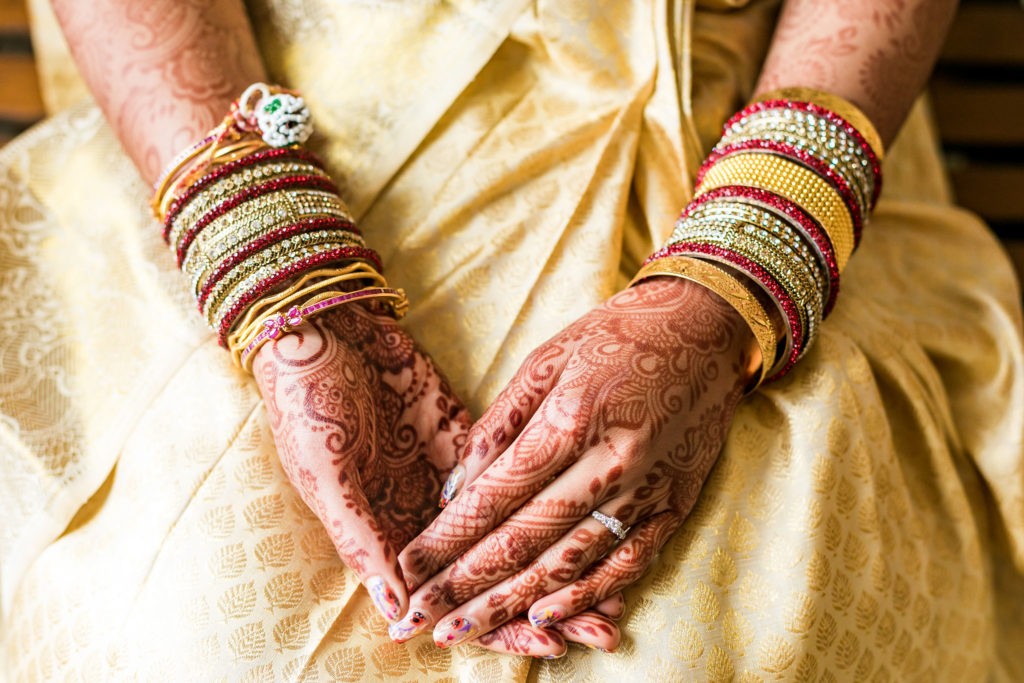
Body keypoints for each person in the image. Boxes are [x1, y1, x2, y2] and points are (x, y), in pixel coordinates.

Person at [1, 0, 1022, 680]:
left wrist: (739, 271)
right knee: (201, 629)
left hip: (759, 114)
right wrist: (264, 248)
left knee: (748, 622)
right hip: (245, 109)